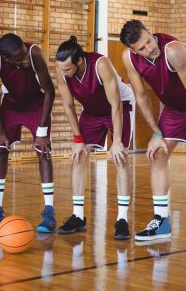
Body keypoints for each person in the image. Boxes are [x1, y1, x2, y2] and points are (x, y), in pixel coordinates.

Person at [119, 20, 186, 249]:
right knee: (157, 154)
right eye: (141, 48)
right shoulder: (129, 59)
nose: (148, 49)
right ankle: (161, 221)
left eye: (148, 41)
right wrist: (156, 133)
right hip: (174, 110)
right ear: (132, 51)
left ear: (149, 31)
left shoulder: (173, 50)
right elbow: (141, 96)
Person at [55, 36, 135, 238]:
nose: (63, 73)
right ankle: (78, 215)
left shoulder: (101, 65)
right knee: (79, 157)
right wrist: (78, 140)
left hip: (120, 107)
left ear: (80, 61)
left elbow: (115, 104)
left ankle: (122, 219)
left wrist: (116, 142)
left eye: (67, 69)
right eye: (61, 69)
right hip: (92, 112)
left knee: (120, 158)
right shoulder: (62, 70)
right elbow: (68, 105)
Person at [0, 33, 56, 233]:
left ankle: (49, 211)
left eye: (24, 55)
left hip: (36, 105)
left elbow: (50, 91)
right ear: (7, 60)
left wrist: (42, 131)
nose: (25, 60)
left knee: (43, 150)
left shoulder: (34, 53)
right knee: (1, 148)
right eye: (19, 59)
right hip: (11, 105)